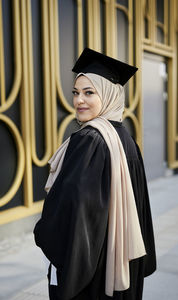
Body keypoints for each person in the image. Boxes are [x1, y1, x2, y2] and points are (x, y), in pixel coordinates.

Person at [34, 48, 156, 300]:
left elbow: (72, 210)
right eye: (76, 93)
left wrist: (42, 230)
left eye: (89, 93)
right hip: (121, 261)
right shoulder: (125, 138)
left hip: (94, 272)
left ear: (109, 95)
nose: (79, 100)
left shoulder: (89, 140)